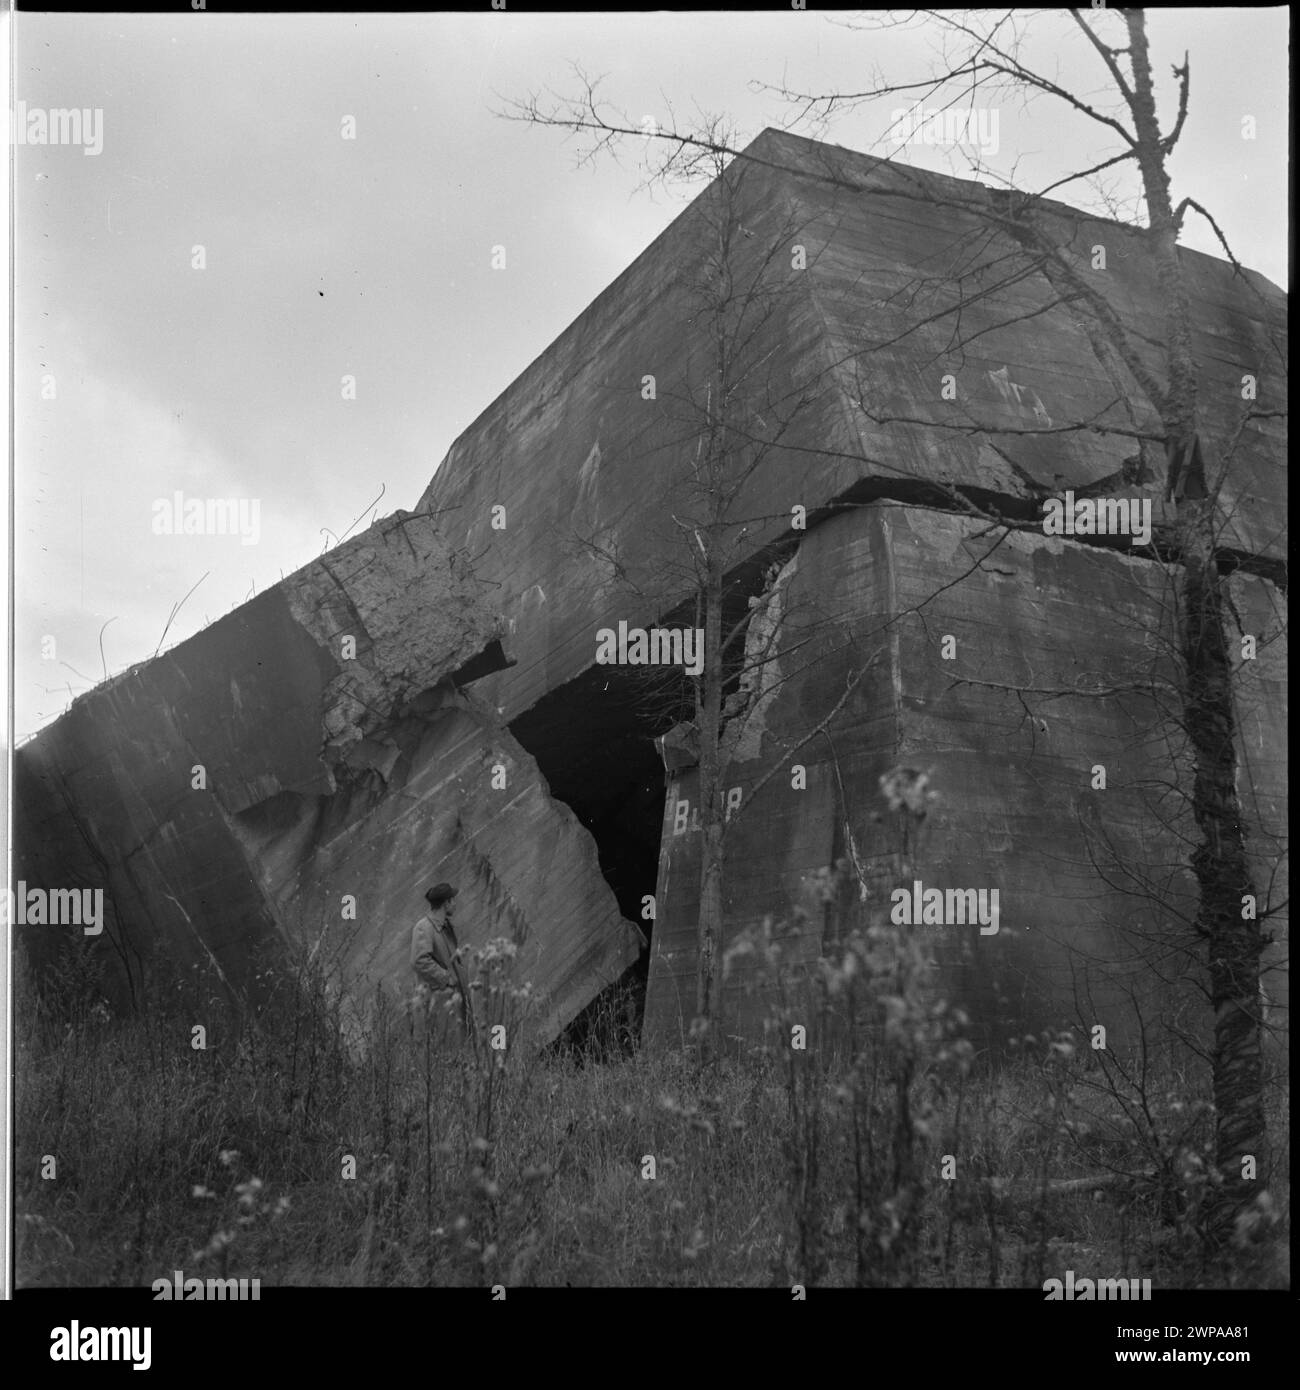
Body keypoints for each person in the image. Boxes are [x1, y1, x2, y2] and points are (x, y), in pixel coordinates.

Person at [409, 882, 475, 1043]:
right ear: (446, 903)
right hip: (437, 1002)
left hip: (451, 1001)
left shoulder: (445, 927)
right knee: (441, 1050)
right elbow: (419, 961)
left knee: (457, 1048)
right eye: (453, 900)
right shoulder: (424, 927)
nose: (455, 904)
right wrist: (446, 978)